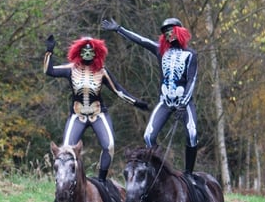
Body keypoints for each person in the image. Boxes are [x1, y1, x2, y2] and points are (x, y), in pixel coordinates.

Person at [44, 34, 150, 182]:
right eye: (84, 51)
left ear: (97, 53)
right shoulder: (71, 68)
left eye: (91, 51)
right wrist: (49, 52)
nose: (87, 54)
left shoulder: (102, 71)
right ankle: (68, 181)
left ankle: (101, 180)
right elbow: (49, 71)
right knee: (66, 150)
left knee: (109, 145)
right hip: (77, 114)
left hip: (98, 113)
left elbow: (118, 90)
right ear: (78, 52)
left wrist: (137, 103)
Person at [101, 16, 199, 176]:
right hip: (165, 101)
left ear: (179, 31)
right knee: (148, 136)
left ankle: (189, 173)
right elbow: (141, 40)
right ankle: (160, 170)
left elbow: (192, 80)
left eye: (171, 31)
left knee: (192, 133)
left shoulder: (190, 55)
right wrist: (119, 29)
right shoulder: (161, 51)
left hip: (184, 102)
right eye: (166, 32)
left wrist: (184, 103)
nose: (168, 34)